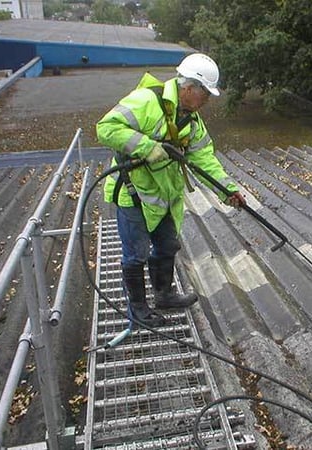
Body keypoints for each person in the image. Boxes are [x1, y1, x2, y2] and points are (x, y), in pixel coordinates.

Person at [96, 53, 246, 327]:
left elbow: (204, 159)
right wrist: (147, 147)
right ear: (189, 88)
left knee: (167, 245)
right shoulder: (146, 102)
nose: (207, 101)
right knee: (136, 254)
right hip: (133, 193)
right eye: (205, 94)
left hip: (163, 195)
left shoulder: (192, 121)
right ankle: (138, 312)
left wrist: (228, 189)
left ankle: (164, 295)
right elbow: (105, 128)